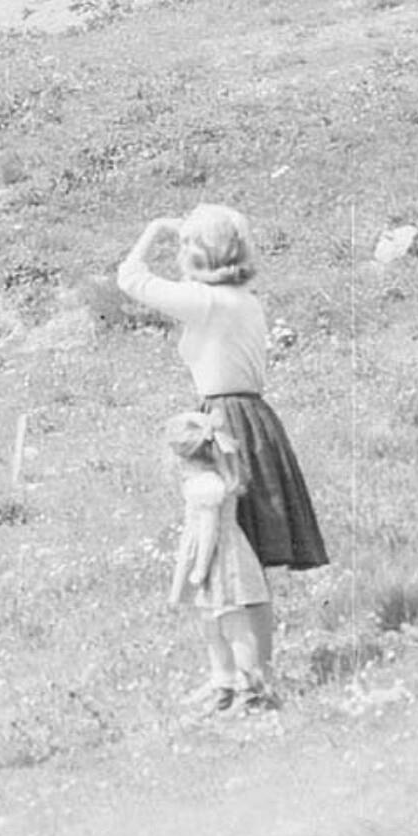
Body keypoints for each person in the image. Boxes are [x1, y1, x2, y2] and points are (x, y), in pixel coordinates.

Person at [114, 201, 329, 686]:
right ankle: (249, 672)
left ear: (199, 253)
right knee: (244, 558)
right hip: (253, 419)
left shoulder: (208, 302)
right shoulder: (244, 299)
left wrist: (155, 229)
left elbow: (131, 279)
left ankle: (241, 676)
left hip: (225, 420)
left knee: (227, 554)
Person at [163, 406, 274, 713]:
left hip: (222, 562)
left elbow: (209, 531)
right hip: (214, 560)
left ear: (182, 457)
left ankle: (252, 688)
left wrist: (199, 570)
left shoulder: (207, 485)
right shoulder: (202, 481)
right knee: (212, 626)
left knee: (233, 625)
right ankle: (223, 683)